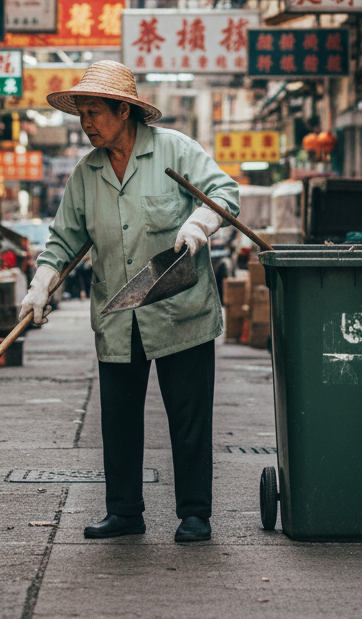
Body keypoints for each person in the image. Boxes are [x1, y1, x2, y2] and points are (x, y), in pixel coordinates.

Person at [20, 61, 239, 543]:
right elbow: (63, 240)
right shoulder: (87, 173)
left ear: (125, 110)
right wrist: (41, 281)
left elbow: (224, 191)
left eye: (95, 112)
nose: (87, 123)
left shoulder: (174, 149)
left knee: (188, 417)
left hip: (181, 311)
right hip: (118, 317)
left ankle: (195, 513)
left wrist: (199, 223)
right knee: (118, 421)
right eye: (82, 114)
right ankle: (124, 512)